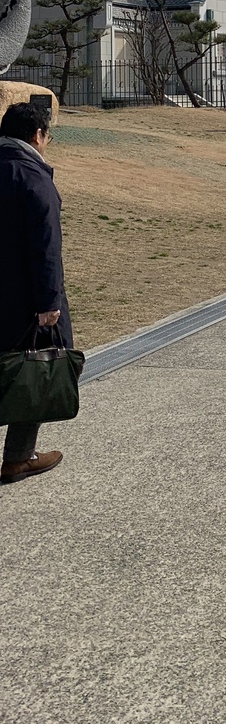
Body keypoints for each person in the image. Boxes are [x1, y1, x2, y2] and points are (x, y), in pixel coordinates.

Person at [0, 101, 71, 484]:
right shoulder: (32, 176)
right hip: (25, 298)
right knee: (34, 371)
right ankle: (18, 457)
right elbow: (46, 245)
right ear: (37, 135)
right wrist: (48, 303)